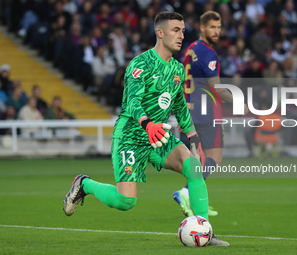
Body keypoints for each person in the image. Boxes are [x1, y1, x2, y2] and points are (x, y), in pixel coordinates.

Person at [62, 11, 229, 246]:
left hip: (158, 136)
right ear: (160, 33)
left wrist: (194, 139)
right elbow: (131, 102)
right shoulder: (141, 63)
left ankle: (205, 231)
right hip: (131, 135)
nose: (181, 35)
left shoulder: (178, 70)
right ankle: (84, 183)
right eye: (175, 30)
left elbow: (180, 106)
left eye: (182, 31)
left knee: (194, 166)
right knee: (125, 202)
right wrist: (147, 124)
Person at [173, 11, 247, 217]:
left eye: (219, 27)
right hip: (207, 112)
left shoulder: (190, 50)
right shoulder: (208, 53)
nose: (217, 31)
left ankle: (197, 203)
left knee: (198, 160)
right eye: (212, 27)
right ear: (202, 27)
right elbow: (217, 87)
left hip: (190, 111)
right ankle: (186, 192)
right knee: (215, 156)